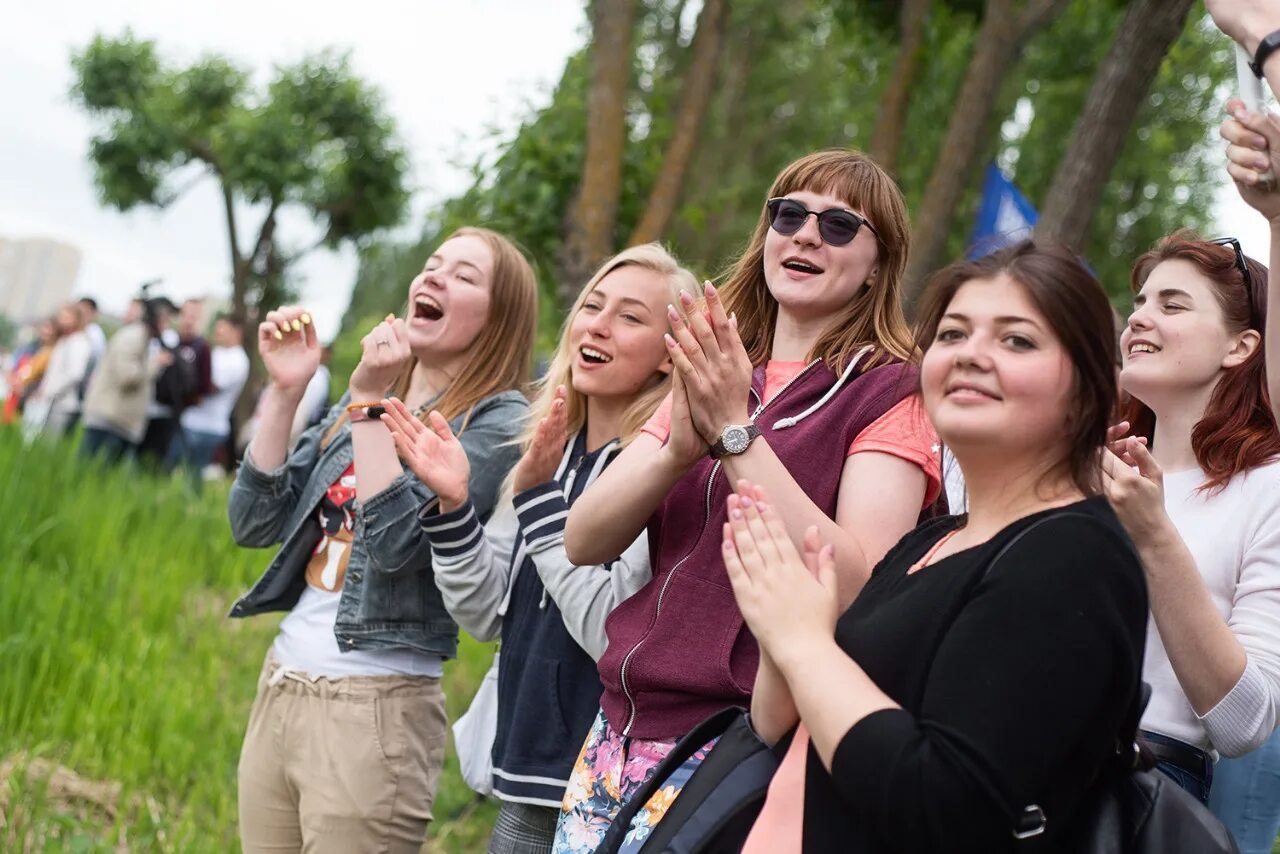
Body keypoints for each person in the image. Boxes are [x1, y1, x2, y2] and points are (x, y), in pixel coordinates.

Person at [557, 149, 944, 849]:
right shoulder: (719, 367)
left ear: (879, 264)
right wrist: (681, 442)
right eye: (788, 214)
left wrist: (734, 434)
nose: (804, 235)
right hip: (617, 730)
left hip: (747, 740)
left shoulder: (894, 390)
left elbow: (859, 582)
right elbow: (584, 539)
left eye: (838, 226)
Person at [719, 241, 1146, 854]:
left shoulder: (1076, 558)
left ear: (1089, 388)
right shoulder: (934, 536)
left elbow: (944, 808)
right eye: (951, 335)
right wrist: (778, 626)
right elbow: (779, 725)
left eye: (1017, 340)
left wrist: (804, 644)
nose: (972, 355)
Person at [228, 226, 538, 853]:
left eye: (464, 276)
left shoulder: (498, 421)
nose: (434, 278)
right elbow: (254, 522)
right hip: (283, 681)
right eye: (432, 265)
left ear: (498, 317)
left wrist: (369, 404)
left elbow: (396, 547)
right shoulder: (370, 389)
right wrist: (287, 392)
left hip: (375, 707)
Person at [383, 244, 696, 854]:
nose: (598, 324)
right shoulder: (546, 451)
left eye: (630, 317)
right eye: (592, 306)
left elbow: (615, 636)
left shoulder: (658, 470)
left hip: (600, 784)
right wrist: (452, 507)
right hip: (521, 766)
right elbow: (483, 615)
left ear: (669, 355)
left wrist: (538, 505)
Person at [1103, 236, 1280, 827]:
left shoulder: (1267, 489)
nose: (1139, 317)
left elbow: (1243, 724)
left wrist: (1154, 537)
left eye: (1172, 305)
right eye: (1141, 301)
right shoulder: (1085, 464)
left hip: (1141, 789)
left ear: (1241, 345)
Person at [81, 297, 174, 464]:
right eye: (166, 321)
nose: (167, 326)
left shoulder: (143, 339)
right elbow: (127, 377)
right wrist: (155, 364)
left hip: (119, 423)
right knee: (91, 474)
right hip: (109, 421)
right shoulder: (133, 337)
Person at [166, 313, 250, 484]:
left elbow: (211, 387)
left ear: (237, 331)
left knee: (191, 478)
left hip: (207, 427)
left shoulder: (237, 359)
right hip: (191, 421)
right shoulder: (218, 352)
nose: (218, 331)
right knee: (170, 470)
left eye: (223, 328)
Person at [142, 298, 213, 466]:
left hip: (175, 415)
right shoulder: (166, 339)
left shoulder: (202, 348)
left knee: (160, 463)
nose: (189, 320)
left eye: (194, 316)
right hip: (148, 408)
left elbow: (204, 387)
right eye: (185, 315)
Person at [23, 302, 92, 438]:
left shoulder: (79, 342)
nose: (61, 319)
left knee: (48, 444)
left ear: (76, 319)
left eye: (66, 316)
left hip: (61, 403)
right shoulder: (64, 340)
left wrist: (49, 391)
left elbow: (74, 374)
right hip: (49, 400)